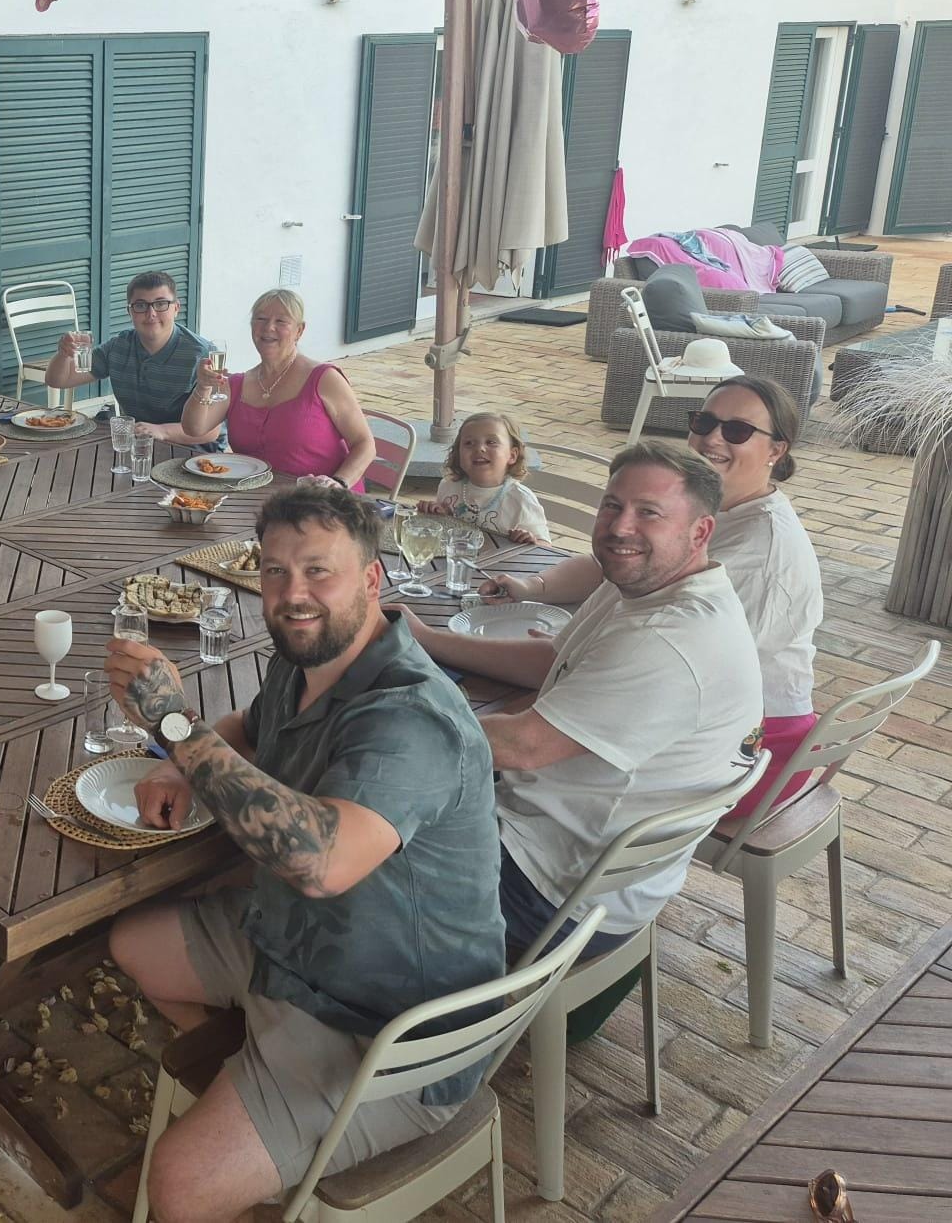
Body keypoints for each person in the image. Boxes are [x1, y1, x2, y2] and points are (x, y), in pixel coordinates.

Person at [104, 487, 504, 1221]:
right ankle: (262, 1100)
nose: (293, 595)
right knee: (133, 943)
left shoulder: (411, 718)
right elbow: (250, 728)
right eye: (275, 572)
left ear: (371, 580)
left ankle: (274, 1128)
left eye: (319, 571)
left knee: (180, 1185)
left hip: (388, 1026)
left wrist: (174, 724)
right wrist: (182, 766)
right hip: (297, 947)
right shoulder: (308, 656)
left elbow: (320, 863)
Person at [403, 442, 762, 963]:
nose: (620, 527)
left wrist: (367, 719)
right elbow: (552, 659)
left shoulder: (667, 637)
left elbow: (520, 746)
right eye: (612, 505)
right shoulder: (642, 585)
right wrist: (427, 640)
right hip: (580, 856)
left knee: (341, 841)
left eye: (649, 513)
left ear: (700, 531)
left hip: (553, 893)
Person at [480, 378, 819, 819]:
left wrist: (580, 650)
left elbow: (662, 661)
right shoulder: (716, 505)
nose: (713, 438)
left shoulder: (758, 553)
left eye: (737, 430)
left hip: (748, 752)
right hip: (684, 721)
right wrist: (536, 588)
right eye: (705, 422)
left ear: (776, 449)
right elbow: (608, 565)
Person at [178, 289, 376, 490]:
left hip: (321, 498)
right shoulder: (236, 384)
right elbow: (194, 429)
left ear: (299, 330)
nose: (268, 328)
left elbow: (364, 443)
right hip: (255, 498)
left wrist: (339, 482)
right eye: (261, 319)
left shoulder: (324, 378)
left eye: (281, 321)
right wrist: (203, 386)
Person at [43, 271, 217, 443]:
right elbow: (58, 380)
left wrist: (161, 431)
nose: (151, 313)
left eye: (161, 304)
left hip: (194, 450)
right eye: (141, 306)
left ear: (176, 308)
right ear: (130, 311)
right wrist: (64, 355)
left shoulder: (202, 354)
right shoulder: (118, 347)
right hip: (137, 443)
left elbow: (211, 431)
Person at [419, 410, 551, 544]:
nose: (480, 448)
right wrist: (438, 514)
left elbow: (545, 546)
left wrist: (531, 541)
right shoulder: (449, 485)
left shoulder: (521, 500)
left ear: (512, 455)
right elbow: (444, 531)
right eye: (469, 443)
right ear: (458, 453)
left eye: (491, 442)